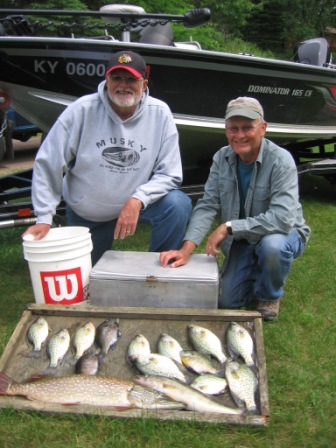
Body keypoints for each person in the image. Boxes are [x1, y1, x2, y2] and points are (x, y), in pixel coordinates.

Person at [22, 50, 192, 265]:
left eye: (131, 79)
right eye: (117, 78)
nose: (124, 85)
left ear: (144, 83)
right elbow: (49, 162)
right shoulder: (81, 110)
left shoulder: (160, 113)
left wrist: (138, 199)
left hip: (136, 205)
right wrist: (44, 217)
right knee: (88, 281)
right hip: (89, 214)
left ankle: (160, 267)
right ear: (107, 79)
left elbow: (170, 173)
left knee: (177, 204)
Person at [160, 97, 311, 321]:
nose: (240, 135)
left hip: (282, 234)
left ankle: (269, 295)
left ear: (263, 128)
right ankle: (258, 270)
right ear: (226, 130)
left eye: (248, 127)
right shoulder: (221, 158)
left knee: (273, 247)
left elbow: (283, 218)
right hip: (243, 237)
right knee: (227, 301)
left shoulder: (281, 160)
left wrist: (229, 227)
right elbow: (208, 204)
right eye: (233, 128)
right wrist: (186, 249)